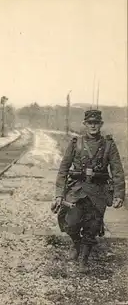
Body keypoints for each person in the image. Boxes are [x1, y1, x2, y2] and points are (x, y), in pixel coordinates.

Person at [52, 109, 125, 272]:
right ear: (85, 124)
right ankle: (76, 244)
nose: (93, 126)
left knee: (92, 227)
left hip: (98, 191)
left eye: (96, 123)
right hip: (77, 190)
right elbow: (63, 169)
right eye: (90, 123)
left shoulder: (108, 145)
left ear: (101, 124)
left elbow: (117, 171)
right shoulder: (75, 143)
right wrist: (59, 194)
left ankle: (83, 260)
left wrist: (119, 194)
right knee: (70, 223)